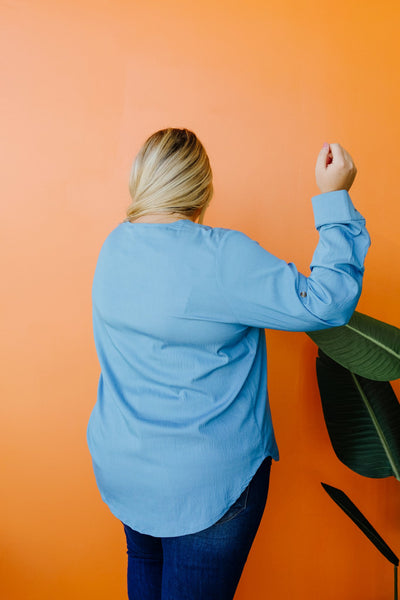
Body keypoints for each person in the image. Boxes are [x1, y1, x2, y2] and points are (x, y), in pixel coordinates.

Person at [86, 128, 371, 599]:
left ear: (143, 179)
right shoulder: (221, 256)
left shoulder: (113, 247)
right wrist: (335, 198)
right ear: (202, 188)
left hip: (126, 470)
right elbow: (327, 304)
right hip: (207, 488)